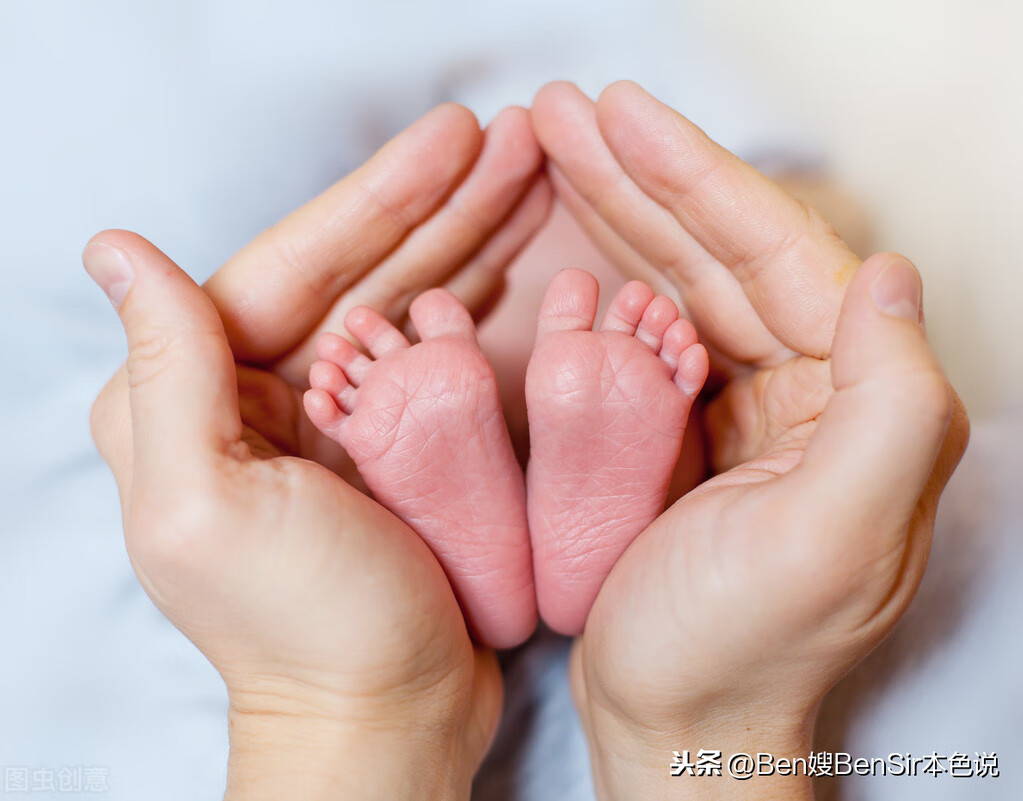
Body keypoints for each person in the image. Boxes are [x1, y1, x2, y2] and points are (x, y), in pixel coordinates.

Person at [86, 80, 967, 799]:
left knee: (438, 364)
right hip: (665, 474)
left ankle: (458, 531)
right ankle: (660, 477)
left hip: (388, 514)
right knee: (655, 352)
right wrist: (698, 735)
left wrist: (342, 711)